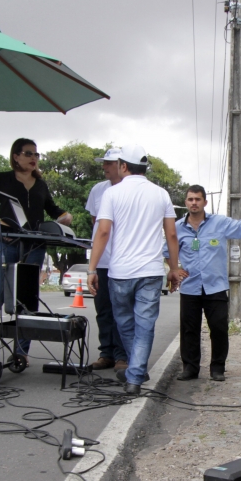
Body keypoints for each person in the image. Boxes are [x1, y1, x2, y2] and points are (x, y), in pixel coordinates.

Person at [86, 145, 186, 395]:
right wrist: (173, 268)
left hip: (119, 272)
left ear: (123, 166)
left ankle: (135, 374)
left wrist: (91, 268)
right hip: (151, 271)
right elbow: (171, 234)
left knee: (125, 323)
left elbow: (103, 231)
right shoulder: (161, 193)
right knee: (145, 324)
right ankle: (137, 371)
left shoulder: (112, 193)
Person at [167, 185, 241, 382]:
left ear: (204, 202)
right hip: (190, 287)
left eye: (197, 199)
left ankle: (217, 368)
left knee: (218, 328)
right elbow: (167, 252)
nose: (194, 203)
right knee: (189, 329)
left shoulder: (218, 223)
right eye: (190, 199)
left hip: (215, 287)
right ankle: (190, 368)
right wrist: (173, 269)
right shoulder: (176, 228)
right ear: (185, 202)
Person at [0, 138, 72, 360]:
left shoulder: (40, 184)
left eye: (36, 155)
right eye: (29, 154)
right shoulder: (2, 179)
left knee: (26, 297)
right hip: (4, 243)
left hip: (34, 246)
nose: (33, 159)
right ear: (16, 156)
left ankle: (21, 352)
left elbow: (53, 209)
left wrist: (65, 216)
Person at [84, 147, 126, 372]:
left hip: (122, 262)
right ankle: (106, 353)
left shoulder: (130, 190)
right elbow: (96, 223)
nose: (104, 167)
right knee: (103, 310)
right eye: (104, 163)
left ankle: (122, 355)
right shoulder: (97, 190)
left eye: (109, 163)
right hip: (101, 261)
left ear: (122, 165)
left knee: (122, 310)